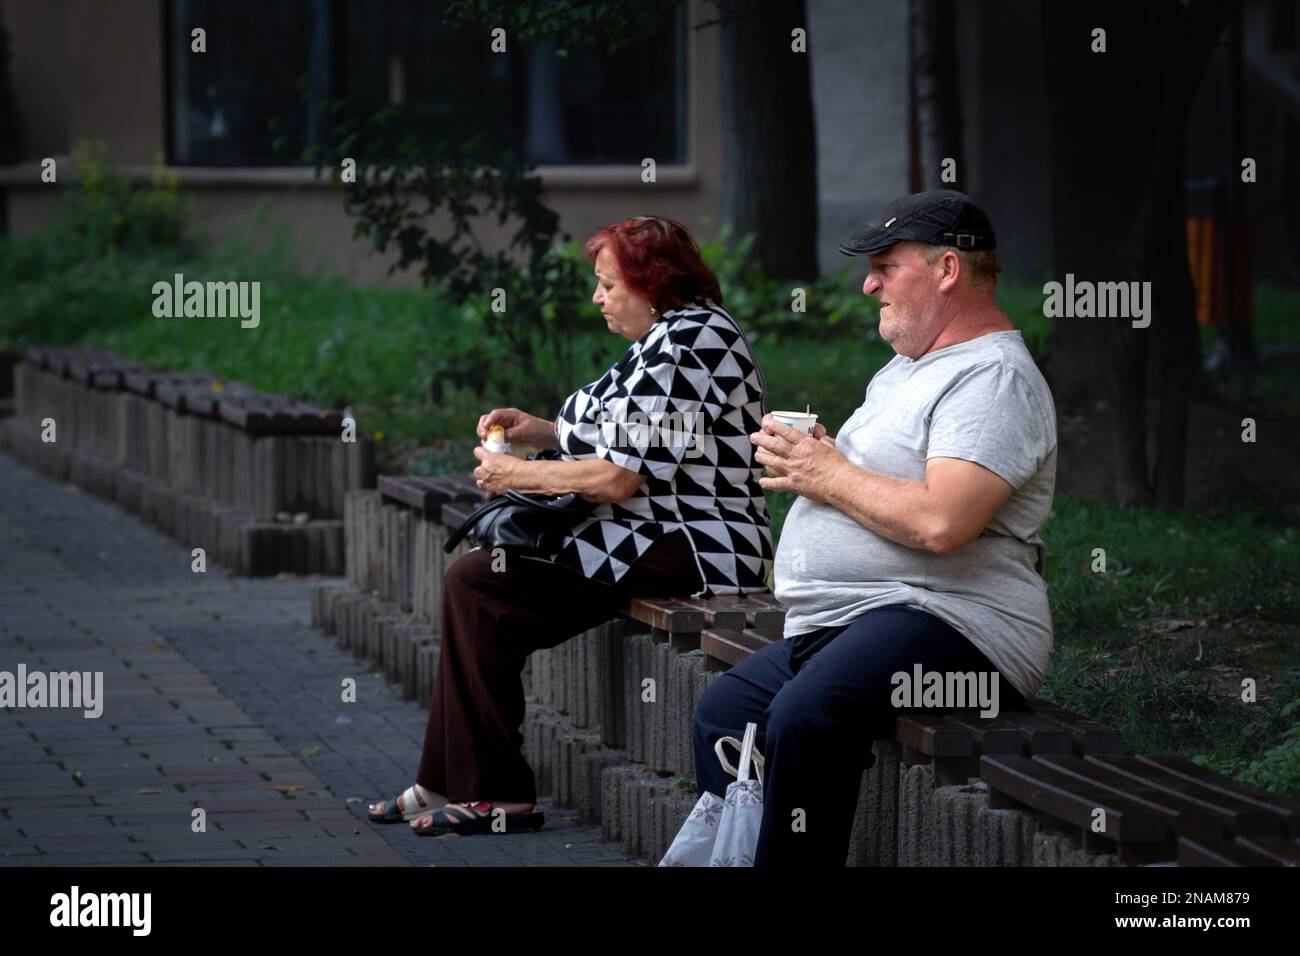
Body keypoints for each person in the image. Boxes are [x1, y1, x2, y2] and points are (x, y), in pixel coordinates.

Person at [369, 215, 774, 835]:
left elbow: (617, 477)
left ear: (652, 283)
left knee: (479, 586)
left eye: (608, 285)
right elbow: (634, 434)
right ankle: (447, 779)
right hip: (657, 530)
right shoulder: (678, 333)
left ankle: (497, 795)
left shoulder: (693, 341)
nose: (598, 297)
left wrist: (516, 478)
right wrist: (544, 432)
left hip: (697, 541)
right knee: (478, 582)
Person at [692, 190, 1058, 866]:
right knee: (727, 712)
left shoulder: (994, 378)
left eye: (886, 266)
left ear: (947, 269)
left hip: (959, 620)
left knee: (804, 717)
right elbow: (882, 479)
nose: (868, 285)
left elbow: (945, 521)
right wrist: (815, 463)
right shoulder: (913, 367)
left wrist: (824, 474)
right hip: (868, 615)